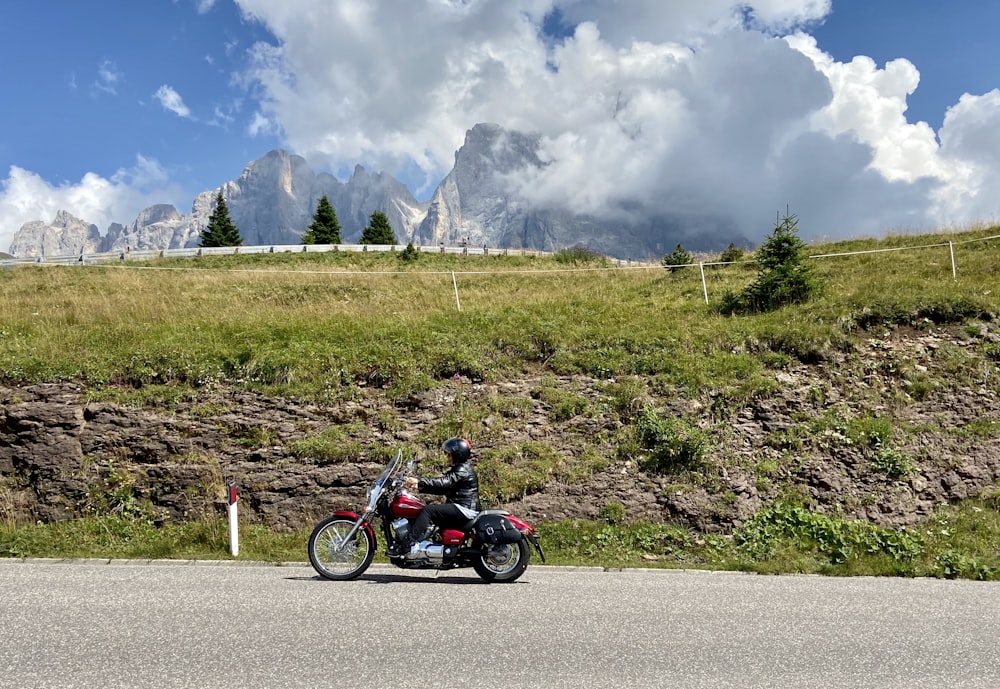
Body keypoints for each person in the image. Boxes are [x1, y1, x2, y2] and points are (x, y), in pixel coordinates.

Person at [388, 437, 481, 557]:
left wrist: (419, 482)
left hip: (465, 508)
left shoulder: (462, 469)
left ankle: (406, 544)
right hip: (463, 506)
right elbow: (443, 488)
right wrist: (418, 486)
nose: (447, 457)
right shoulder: (462, 468)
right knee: (428, 511)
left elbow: (444, 483)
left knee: (428, 511)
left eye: (449, 454)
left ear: (457, 454)